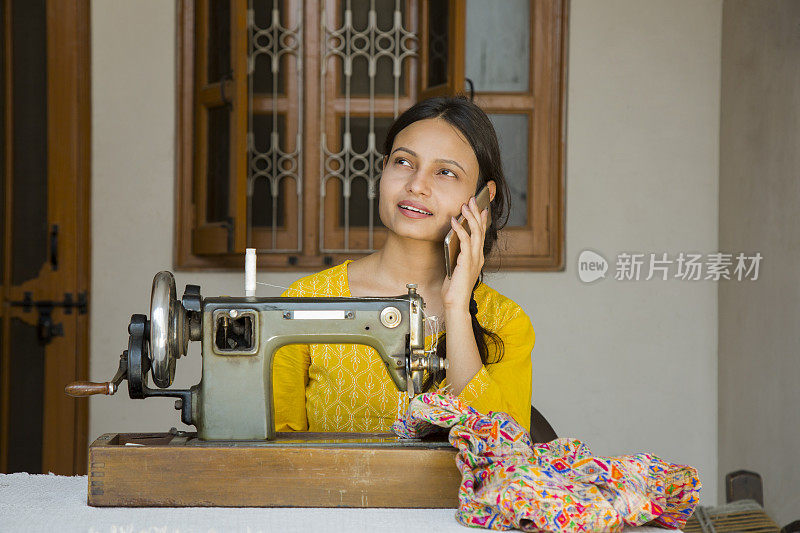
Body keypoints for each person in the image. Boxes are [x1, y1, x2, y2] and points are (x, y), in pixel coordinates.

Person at [273, 95, 535, 433]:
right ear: (383, 170)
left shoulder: (506, 323)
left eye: (445, 172)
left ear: (484, 196)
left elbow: (501, 454)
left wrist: (456, 310)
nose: (416, 185)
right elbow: (275, 453)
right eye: (403, 162)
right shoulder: (308, 301)